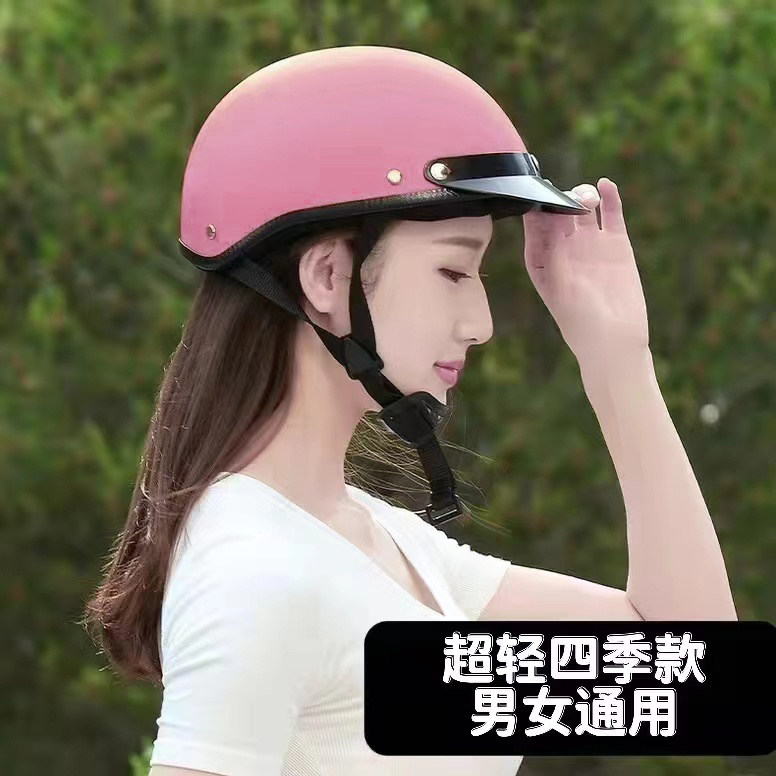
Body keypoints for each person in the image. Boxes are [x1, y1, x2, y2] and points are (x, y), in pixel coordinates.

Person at [83, 46, 736, 776]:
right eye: (453, 270)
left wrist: (617, 358)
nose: (481, 323)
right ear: (328, 277)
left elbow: (693, 678)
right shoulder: (257, 571)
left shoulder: (379, 544)